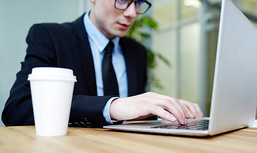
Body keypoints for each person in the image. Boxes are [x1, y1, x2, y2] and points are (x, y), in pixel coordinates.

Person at [2, 0, 203, 128]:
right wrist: (112, 107)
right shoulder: (51, 37)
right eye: (123, 0)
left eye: (139, 2)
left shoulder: (137, 52)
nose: (132, 13)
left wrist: (163, 110)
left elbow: (134, 116)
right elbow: (17, 110)